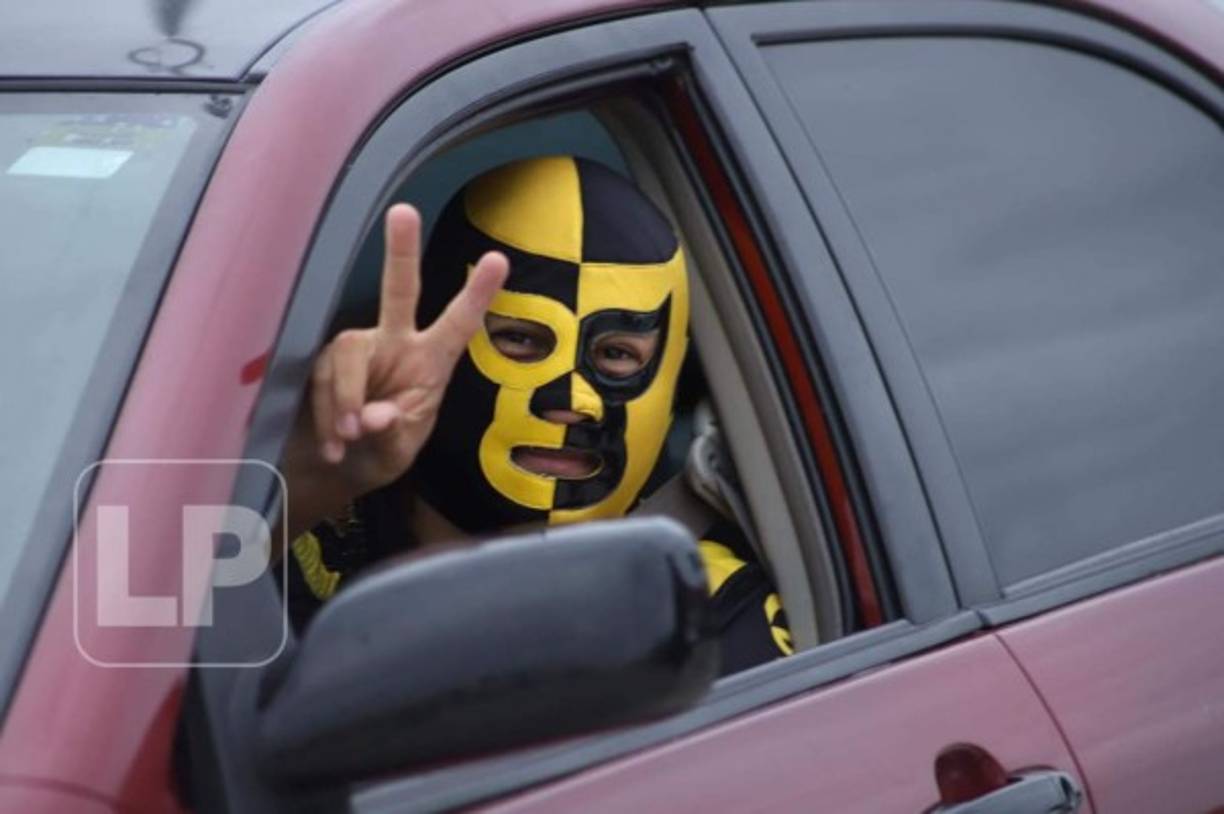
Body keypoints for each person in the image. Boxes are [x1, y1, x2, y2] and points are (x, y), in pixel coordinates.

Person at [280, 156, 792, 674]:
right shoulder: (303, 537)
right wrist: (313, 477)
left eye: (617, 354)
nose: (572, 401)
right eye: (521, 340)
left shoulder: (706, 615)